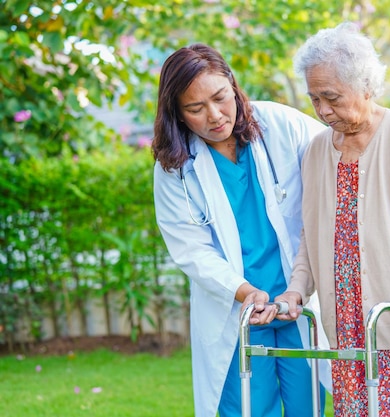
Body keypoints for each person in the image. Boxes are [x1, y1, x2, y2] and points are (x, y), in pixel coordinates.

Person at [256, 23, 390, 416]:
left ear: (365, 85)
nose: (321, 110)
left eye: (331, 97)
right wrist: (296, 291)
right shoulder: (317, 151)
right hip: (350, 336)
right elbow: (310, 235)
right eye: (314, 98)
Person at [151, 43, 329, 417]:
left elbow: (336, 162)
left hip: (296, 300)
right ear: (177, 114)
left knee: (307, 407)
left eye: (220, 97)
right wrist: (247, 292)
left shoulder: (283, 125)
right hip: (237, 309)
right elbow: (192, 250)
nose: (215, 116)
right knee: (247, 409)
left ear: (233, 85)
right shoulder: (175, 168)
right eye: (195, 109)